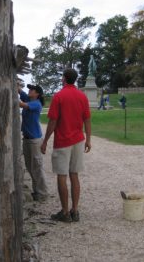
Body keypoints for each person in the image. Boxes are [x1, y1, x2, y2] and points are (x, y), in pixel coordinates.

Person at [41, 68, 91, 223]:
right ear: (75, 79)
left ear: (63, 78)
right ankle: (75, 211)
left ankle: (64, 212)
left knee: (62, 176)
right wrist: (88, 139)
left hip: (63, 141)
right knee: (74, 174)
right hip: (78, 140)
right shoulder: (82, 96)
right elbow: (87, 119)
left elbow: (53, 121)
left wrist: (45, 140)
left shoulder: (59, 96)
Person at [19, 84, 49, 202]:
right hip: (27, 139)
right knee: (30, 167)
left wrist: (9, 95)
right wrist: (16, 86)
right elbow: (21, 92)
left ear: (37, 94)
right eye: (29, 89)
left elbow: (21, 104)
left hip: (34, 140)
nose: (29, 90)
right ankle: (37, 191)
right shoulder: (30, 99)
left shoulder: (36, 104)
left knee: (36, 167)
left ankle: (43, 193)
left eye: (32, 90)